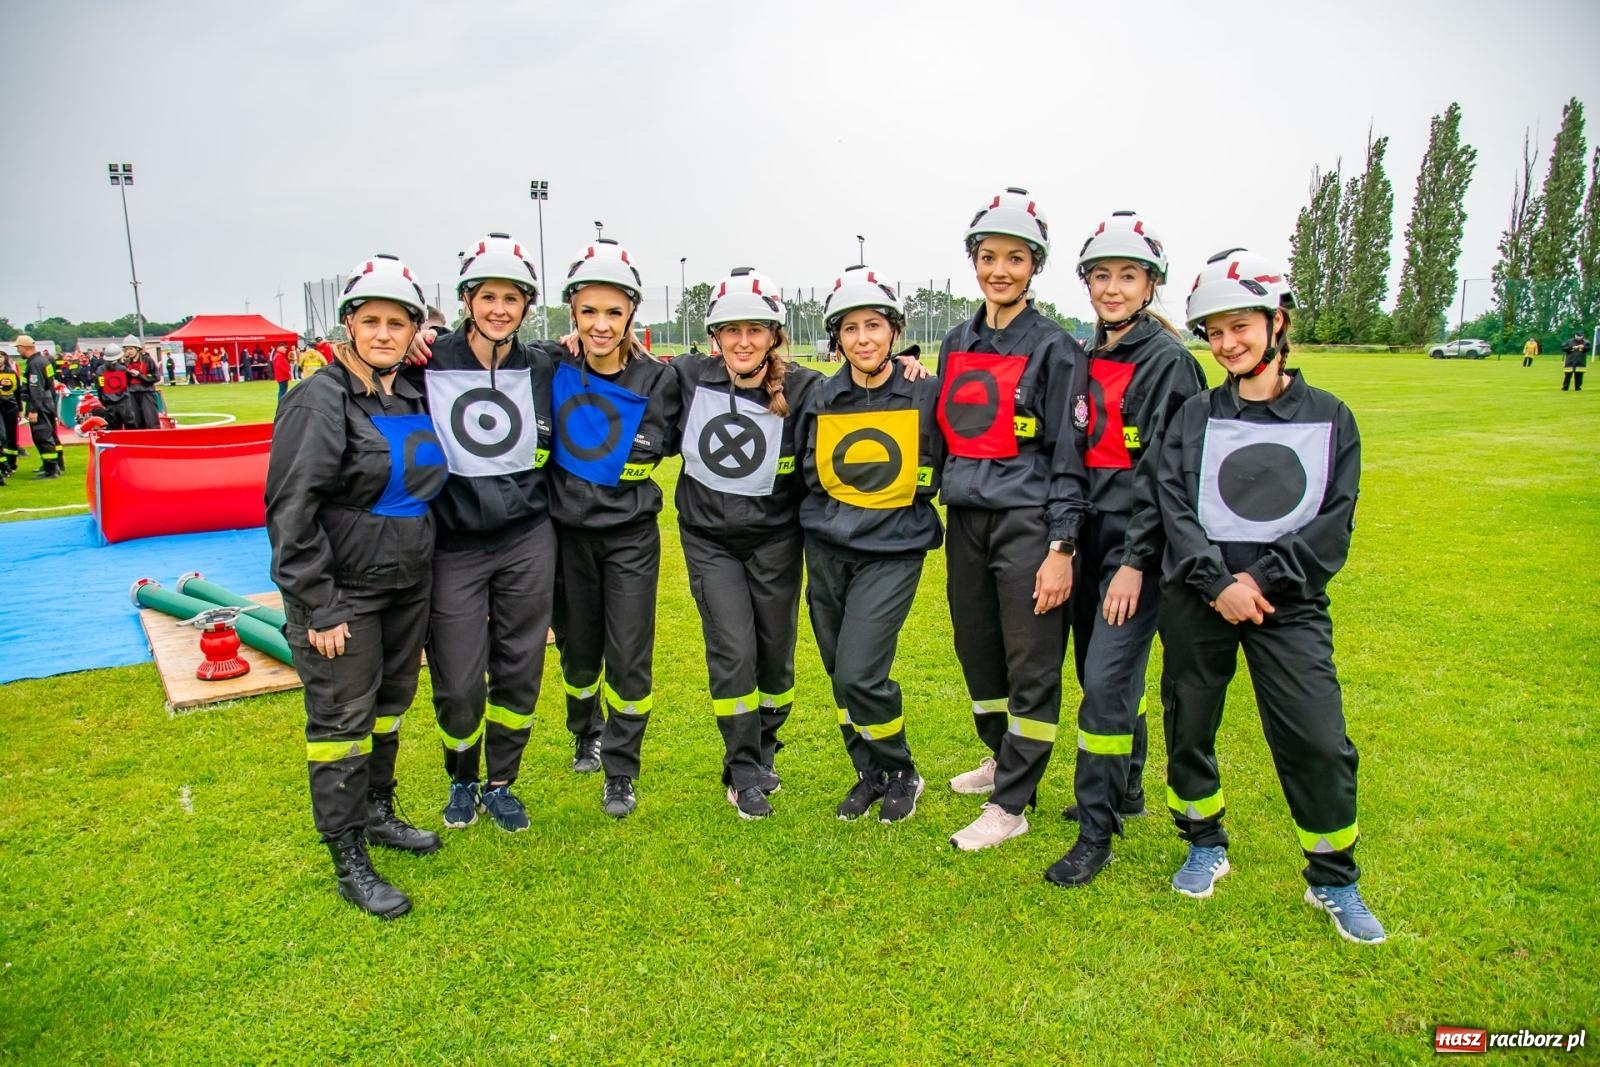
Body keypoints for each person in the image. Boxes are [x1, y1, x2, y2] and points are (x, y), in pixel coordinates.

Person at [1155, 247, 1383, 944]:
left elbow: (1333, 520)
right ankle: (1204, 840)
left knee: (1317, 737)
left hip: (1290, 600)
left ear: (1275, 321)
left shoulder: (1331, 416)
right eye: (1213, 331)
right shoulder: (1193, 414)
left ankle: (1333, 877)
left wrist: (1260, 580)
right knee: (1189, 723)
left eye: (1239, 326)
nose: (1226, 344)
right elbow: (1173, 505)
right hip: (1200, 597)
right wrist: (1217, 581)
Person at [266, 253, 447, 919]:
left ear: (410, 331)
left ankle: (375, 810)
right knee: (341, 723)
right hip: (344, 593)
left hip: (406, 582)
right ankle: (347, 853)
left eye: (396, 322)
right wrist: (317, 603)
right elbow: (291, 508)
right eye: (370, 320)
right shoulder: (319, 398)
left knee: (389, 707)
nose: (382, 332)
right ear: (349, 326)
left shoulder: (407, 395)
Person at [1044, 212, 1209, 887]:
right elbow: (1071, 456)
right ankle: (1129, 787)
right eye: (1102, 276)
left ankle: (1095, 829)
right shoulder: (1088, 357)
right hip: (1089, 537)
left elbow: (1169, 477)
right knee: (1100, 673)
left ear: (1150, 285)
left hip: (1138, 545)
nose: (1113, 288)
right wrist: (1065, 541)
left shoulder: (1168, 363)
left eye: (1128, 276)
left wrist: (1137, 562)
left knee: (1106, 688)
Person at [936, 188, 1091, 851]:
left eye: (1016, 258)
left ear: (1035, 266)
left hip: (1028, 523)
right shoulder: (954, 341)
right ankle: (1000, 756)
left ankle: (1014, 802)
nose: (1001, 269)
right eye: (989, 256)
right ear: (974, 260)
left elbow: (1068, 455)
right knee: (979, 654)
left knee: (1031, 663)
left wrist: (1062, 545)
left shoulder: (1056, 348)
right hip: (966, 522)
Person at [402, 233, 557, 834]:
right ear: (467, 300)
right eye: (487, 296)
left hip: (527, 539)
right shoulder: (430, 359)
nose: (499, 309)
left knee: (519, 666)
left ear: (526, 306)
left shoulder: (543, 362)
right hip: (454, 544)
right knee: (460, 679)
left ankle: (501, 783)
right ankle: (462, 776)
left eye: (511, 298)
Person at [673, 267, 822, 819]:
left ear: (774, 335)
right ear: (715, 336)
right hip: (710, 541)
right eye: (731, 330)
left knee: (776, 660)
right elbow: (625, 374)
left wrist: (907, 368)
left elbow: (862, 399)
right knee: (734, 651)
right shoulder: (688, 377)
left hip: (778, 541)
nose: (742, 341)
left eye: (755, 330)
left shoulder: (806, 388)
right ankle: (741, 768)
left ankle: (765, 747)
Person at [799, 265, 944, 823]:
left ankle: (903, 768)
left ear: (894, 331)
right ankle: (871, 773)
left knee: (860, 670)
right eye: (850, 328)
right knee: (840, 674)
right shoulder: (819, 395)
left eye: (874, 326)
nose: (863, 338)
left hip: (893, 549)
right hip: (828, 550)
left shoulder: (923, 391)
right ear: (836, 337)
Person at [549, 238, 681, 819]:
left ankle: (621, 769)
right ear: (572, 313)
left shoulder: (657, 379)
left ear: (631, 314)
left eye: (613, 312)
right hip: (563, 539)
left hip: (630, 537)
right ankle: (585, 728)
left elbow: (659, 443)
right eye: (589, 312)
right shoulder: (548, 364)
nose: (601, 325)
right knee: (580, 656)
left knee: (629, 657)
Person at [18, 335, 63, 479]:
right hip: (48, 401)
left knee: (42, 435)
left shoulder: (34, 364)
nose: (18, 351)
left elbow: (35, 388)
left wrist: (32, 409)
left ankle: (51, 469)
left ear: (24, 347)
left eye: (18, 348)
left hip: (40, 403)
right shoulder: (43, 360)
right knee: (51, 435)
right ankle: (56, 464)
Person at [93, 344, 136, 431]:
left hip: (109, 404)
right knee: (131, 428)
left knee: (113, 429)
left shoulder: (100, 370)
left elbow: (99, 388)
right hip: (124, 403)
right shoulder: (123, 369)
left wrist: (103, 400)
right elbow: (129, 383)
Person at [123, 335, 162, 430]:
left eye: (131, 349)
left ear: (137, 348)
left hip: (146, 393)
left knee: (151, 419)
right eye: (127, 349)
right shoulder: (126, 362)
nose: (129, 351)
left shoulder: (147, 360)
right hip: (132, 393)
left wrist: (139, 375)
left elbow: (156, 377)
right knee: (136, 420)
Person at [0, 344, 21, 476]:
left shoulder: (11, 373)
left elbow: (18, 392)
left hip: (11, 407)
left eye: (1, 357)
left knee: (11, 436)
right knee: (2, 436)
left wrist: (20, 409)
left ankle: (12, 463)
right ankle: (4, 465)